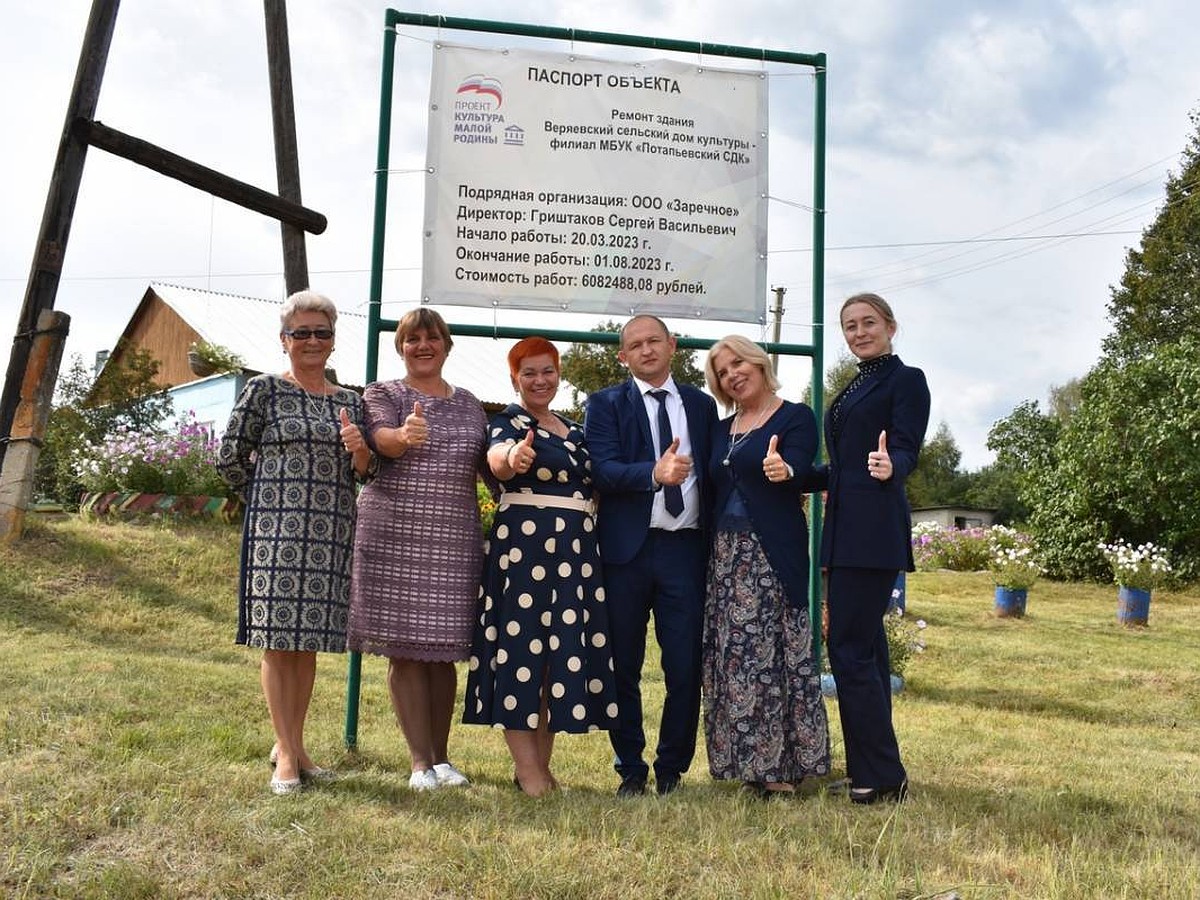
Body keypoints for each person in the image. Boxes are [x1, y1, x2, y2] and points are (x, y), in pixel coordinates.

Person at [217, 289, 375, 795]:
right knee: (277, 643)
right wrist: (266, 501)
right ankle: (285, 754)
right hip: (276, 535)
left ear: (333, 341)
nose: (311, 340)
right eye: (301, 332)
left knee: (306, 646)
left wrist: (360, 452)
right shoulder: (264, 391)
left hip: (330, 537)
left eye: (321, 332)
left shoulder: (351, 401)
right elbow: (228, 458)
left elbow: (369, 475)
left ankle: (297, 745)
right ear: (284, 340)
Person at [463, 337, 619, 796]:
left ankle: (540, 769)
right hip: (525, 555)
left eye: (547, 371)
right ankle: (529, 773)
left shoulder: (576, 428)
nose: (539, 380)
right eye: (528, 373)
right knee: (522, 656)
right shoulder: (508, 422)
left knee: (554, 660)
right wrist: (513, 458)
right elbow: (498, 460)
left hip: (574, 554)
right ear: (515, 379)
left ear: (558, 373)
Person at [347, 308, 489, 792]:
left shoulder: (470, 403)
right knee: (406, 652)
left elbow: (490, 464)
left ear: (447, 346)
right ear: (401, 347)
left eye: (432, 338)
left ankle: (443, 760)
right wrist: (403, 437)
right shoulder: (384, 393)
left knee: (443, 652)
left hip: (454, 537)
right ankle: (418, 764)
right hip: (394, 532)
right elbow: (379, 438)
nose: (423, 346)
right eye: (412, 339)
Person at [584, 314, 717, 797]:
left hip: (686, 550)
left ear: (672, 345)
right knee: (623, 665)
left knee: (684, 666)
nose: (645, 350)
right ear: (623, 356)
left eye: (654, 341)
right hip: (625, 554)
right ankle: (631, 768)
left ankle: (672, 769)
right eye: (635, 345)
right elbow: (602, 468)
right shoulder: (604, 404)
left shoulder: (702, 407)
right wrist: (653, 473)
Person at [811, 292, 930, 805]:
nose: (858, 332)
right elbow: (841, 468)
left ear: (891, 325)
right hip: (844, 533)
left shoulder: (906, 380)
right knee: (869, 655)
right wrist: (795, 476)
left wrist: (892, 467)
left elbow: (905, 447)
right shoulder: (856, 383)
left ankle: (877, 774)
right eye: (849, 326)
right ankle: (879, 772)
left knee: (848, 651)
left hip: (872, 534)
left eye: (868, 323)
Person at [701, 335, 831, 798]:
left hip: (771, 554)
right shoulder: (719, 430)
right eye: (722, 371)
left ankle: (782, 770)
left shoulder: (795, 416)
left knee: (773, 660)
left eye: (738, 362)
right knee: (735, 662)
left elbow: (796, 464)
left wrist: (785, 471)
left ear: (758, 363)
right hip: (725, 556)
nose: (732, 373)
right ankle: (745, 765)